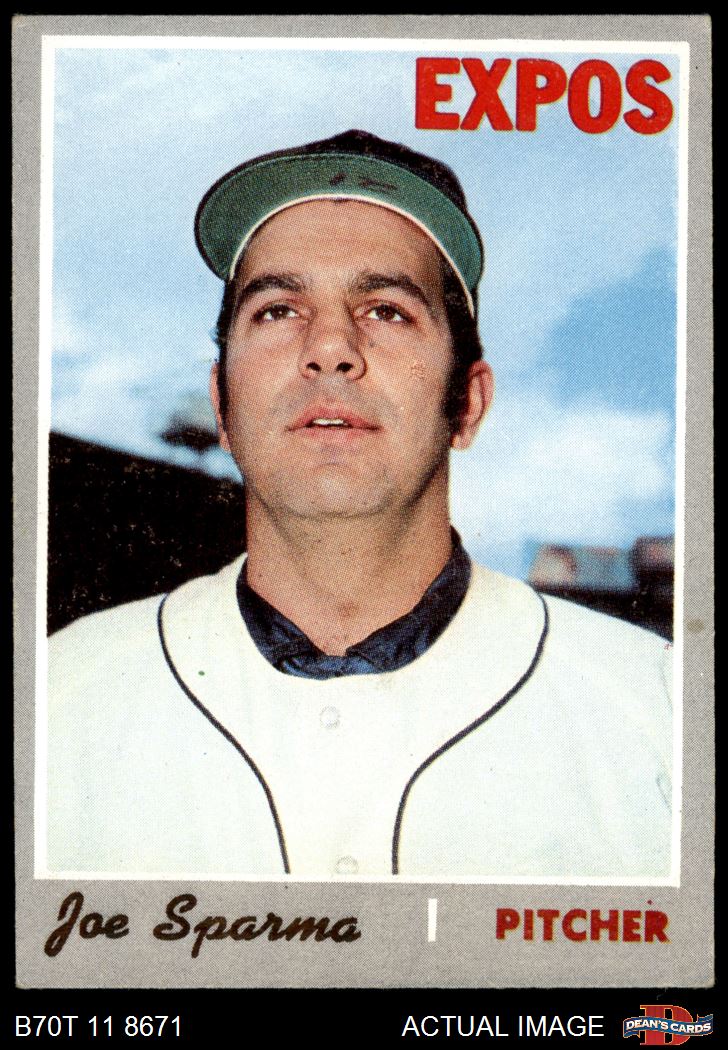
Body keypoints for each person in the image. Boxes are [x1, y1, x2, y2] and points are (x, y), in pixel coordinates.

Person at [46, 130, 673, 879]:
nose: (330, 347)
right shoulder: (58, 696)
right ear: (222, 405)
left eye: (386, 310)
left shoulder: (660, 709)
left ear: (468, 402)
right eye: (278, 310)